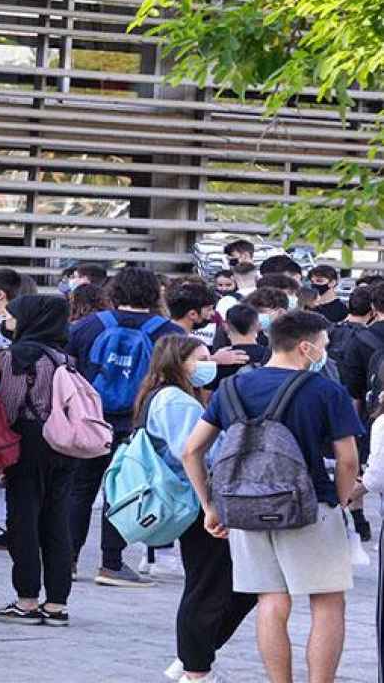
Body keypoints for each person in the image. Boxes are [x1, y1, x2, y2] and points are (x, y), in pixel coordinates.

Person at [183, 310, 362, 683]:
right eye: (324, 345)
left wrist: (209, 506)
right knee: (327, 603)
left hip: (246, 509)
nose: (325, 352)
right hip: (310, 507)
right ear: (306, 347)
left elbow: (192, 451)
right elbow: (347, 459)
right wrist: (343, 502)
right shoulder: (326, 390)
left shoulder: (232, 389)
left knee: (271, 601)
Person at [129, 336, 256, 683]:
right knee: (211, 586)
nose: (208, 365)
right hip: (198, 499)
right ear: (177, 362)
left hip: (195, 498)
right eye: (200, 359)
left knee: (228, 584)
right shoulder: (174, 400)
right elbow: (197, 452)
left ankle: (192, 657)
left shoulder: (174, 395)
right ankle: (195, 669)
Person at [67, 267, 178, 587]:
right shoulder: (167, 333)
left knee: (79, 489)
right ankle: (111, 563)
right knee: (122, 490)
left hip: (90, 419)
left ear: (112, 292)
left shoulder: (87, 326)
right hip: (137, 422)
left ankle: (68, 560)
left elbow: (68, 372)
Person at [0, 294, 75, 627]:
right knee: (56, 522)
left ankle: (26, 601)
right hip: (64, 444)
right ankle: (57, 604)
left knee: (23, 520)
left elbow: (8, 405)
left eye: (12, 316)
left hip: (29, 441)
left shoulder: (19, 356)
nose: (7, 321)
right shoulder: (65, 357)